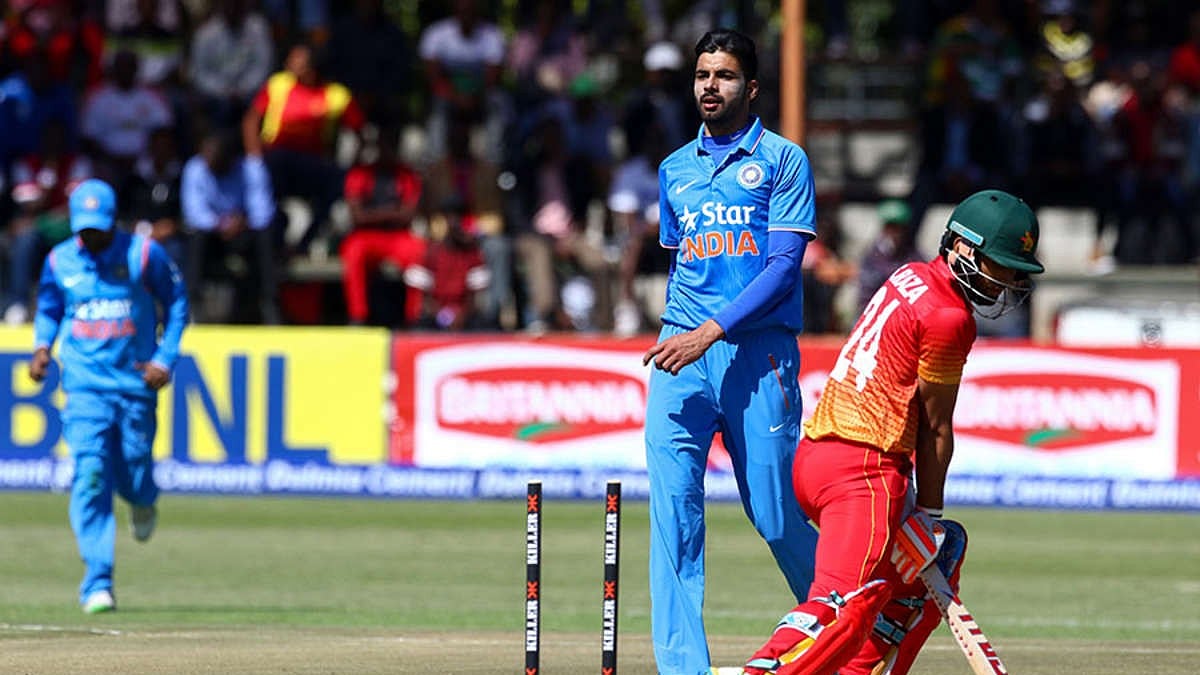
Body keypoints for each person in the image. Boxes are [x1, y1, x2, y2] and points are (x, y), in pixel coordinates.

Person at [739, 189, 1044, 675]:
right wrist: (928, 515)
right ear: (963, 248)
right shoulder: (949, 316)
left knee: (925, 576)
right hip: (864, 471)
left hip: (819, 459)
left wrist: (928, 526)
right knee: (843, 604)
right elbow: (936, 428)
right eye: (1001, 266)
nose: (1008, 280)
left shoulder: (911, 274)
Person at [641, 28, 820, 675]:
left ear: (751, 86)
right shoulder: (674, 169)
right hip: (679, 354)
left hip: (755, 354)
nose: (709, 86)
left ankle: (848, 628)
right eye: (701, 75)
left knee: (775, 512)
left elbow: (782, 268)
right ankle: (682, 667)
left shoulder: (782, 160)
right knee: (673, 517)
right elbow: (685, 263)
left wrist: (710, 331)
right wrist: (683, 333)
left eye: (723, 75)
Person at [28, 178, 189, 614]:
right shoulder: (60, 260)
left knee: (134, 472)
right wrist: (42, 346)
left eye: (98, 229)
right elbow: (49, 307)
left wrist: (164, 358)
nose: (91, 238)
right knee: (91, 474)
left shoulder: (143, 254)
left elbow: (177, 302)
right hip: (84, 387)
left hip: (135, 385)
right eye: (84, 230)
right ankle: (97, 580)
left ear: (113, 221)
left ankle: (143, 499)